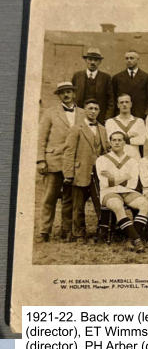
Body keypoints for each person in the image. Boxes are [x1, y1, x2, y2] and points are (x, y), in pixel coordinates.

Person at [36, 81, 85, 242]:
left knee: (69, 199)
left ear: (74, 93)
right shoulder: (50, 113)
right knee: (49, 198)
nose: (66, 95)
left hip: (73, 163)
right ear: (59, 95)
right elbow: (41, 138)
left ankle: (66, 230)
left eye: (69, 91)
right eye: (62, 92)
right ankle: (44, 231)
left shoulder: (83, 113)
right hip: (53, 161)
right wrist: (41, 160)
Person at [62, 99, 109, 243]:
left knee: (101, 204)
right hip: (80, 172)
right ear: (85, 110)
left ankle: (101, 232)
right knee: (78, 206)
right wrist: (69, 174)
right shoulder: (77, 128)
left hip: (98, 175)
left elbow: (105, 150)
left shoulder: (102, 129)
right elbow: (69, 152)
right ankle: (79, 234)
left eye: (96, 108)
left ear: (99, 111)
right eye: (90, 108)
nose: (93, 111)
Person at [95, 131, 148, 252]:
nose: (117, 142)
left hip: (127, 191)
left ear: (125, 142)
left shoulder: (132, 161)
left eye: (120, 140)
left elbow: (133, 183)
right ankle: (137, 240)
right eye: (114, 140)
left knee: (145, 204)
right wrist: (124, 177)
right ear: (110, 142)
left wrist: (113, 177)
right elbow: (105, 182)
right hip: (108, 192)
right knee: (117, 206)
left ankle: (130, 240)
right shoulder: (102, 160)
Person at [71, 47, 114, 124]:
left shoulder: (106, 78)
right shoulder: (77, 76)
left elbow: (111, 100)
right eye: (90, 59)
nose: (92, 62)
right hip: (79, 116)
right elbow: (72, 97)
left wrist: (107, 118)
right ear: (86, 60)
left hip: (99, 117)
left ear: (100, 62)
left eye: (96, 60)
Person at [111, 50, 148, 119]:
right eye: (127, 58)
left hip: (140, 116)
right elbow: (113, 99)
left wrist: (146, 114)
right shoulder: (117, 77)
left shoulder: (147, 77)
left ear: (137, 60)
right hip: (122, 116)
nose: (129, 60)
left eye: (131, 58)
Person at [105, 94, 147, 161]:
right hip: (116, 159)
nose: (124, 104)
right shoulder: (110, 122)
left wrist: (121, 139)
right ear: (118, 105)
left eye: (127, 102)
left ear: (131, 104)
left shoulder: (139, 121)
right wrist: (128, 136)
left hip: (134, 158)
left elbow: (142, 140)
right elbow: (109, 141)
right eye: (121, 102)